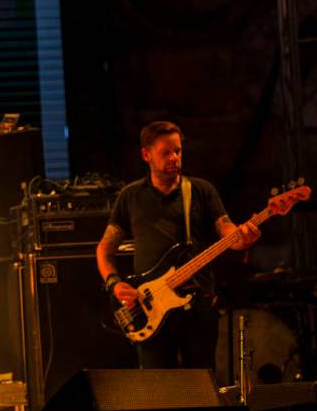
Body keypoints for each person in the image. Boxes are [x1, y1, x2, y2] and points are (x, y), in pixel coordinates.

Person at [96, 120, 260, 369]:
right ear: (146, 155)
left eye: (178, 151)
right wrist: (114, 283)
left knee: (202, 386)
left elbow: (226, 230)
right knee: (159, 390)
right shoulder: (130, 196)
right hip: (149, 305)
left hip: (198, 305)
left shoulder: (201, 190)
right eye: (166, 152)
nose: (174, 157)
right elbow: (105, 249)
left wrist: (241, 237)